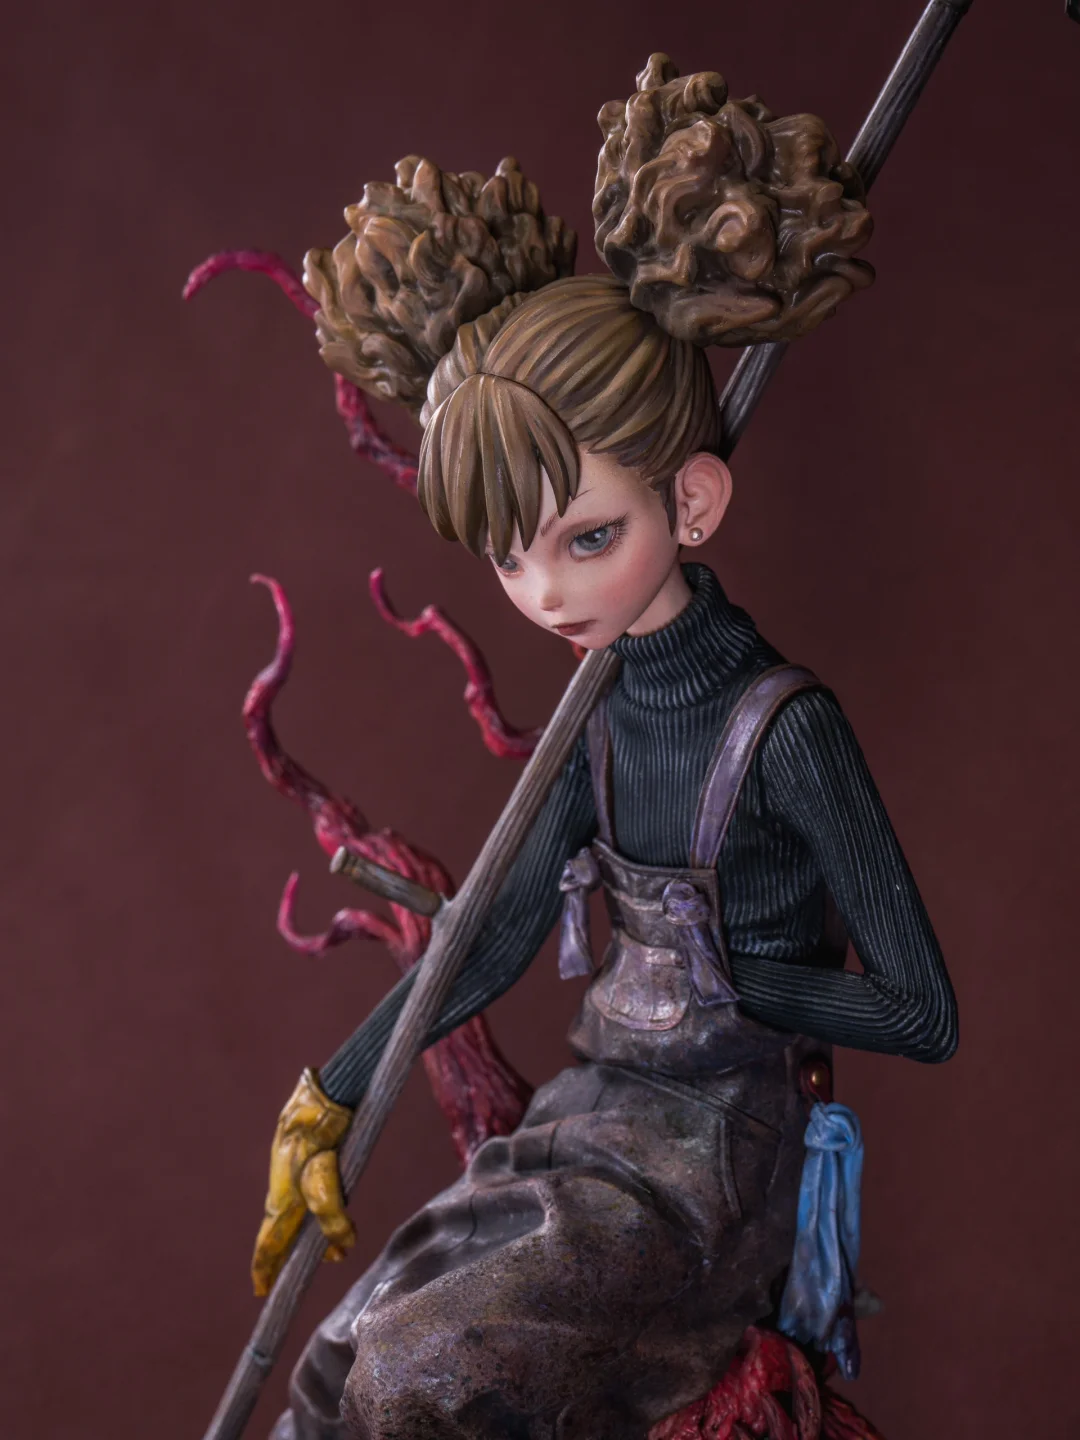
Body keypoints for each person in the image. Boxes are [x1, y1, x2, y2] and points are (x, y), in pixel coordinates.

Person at [251, 55, 958, 1440]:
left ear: (692, 502)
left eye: (588, 539)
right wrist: (331, 1090)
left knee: (414, 1378)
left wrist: (749, 980)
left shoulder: (785, 729)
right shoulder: (599, 708)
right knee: (340, 1359)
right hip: (593, 1118)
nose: (548, 594)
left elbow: (921, 1012)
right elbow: (500, 928)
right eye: (512, 557)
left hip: (714, 1164)